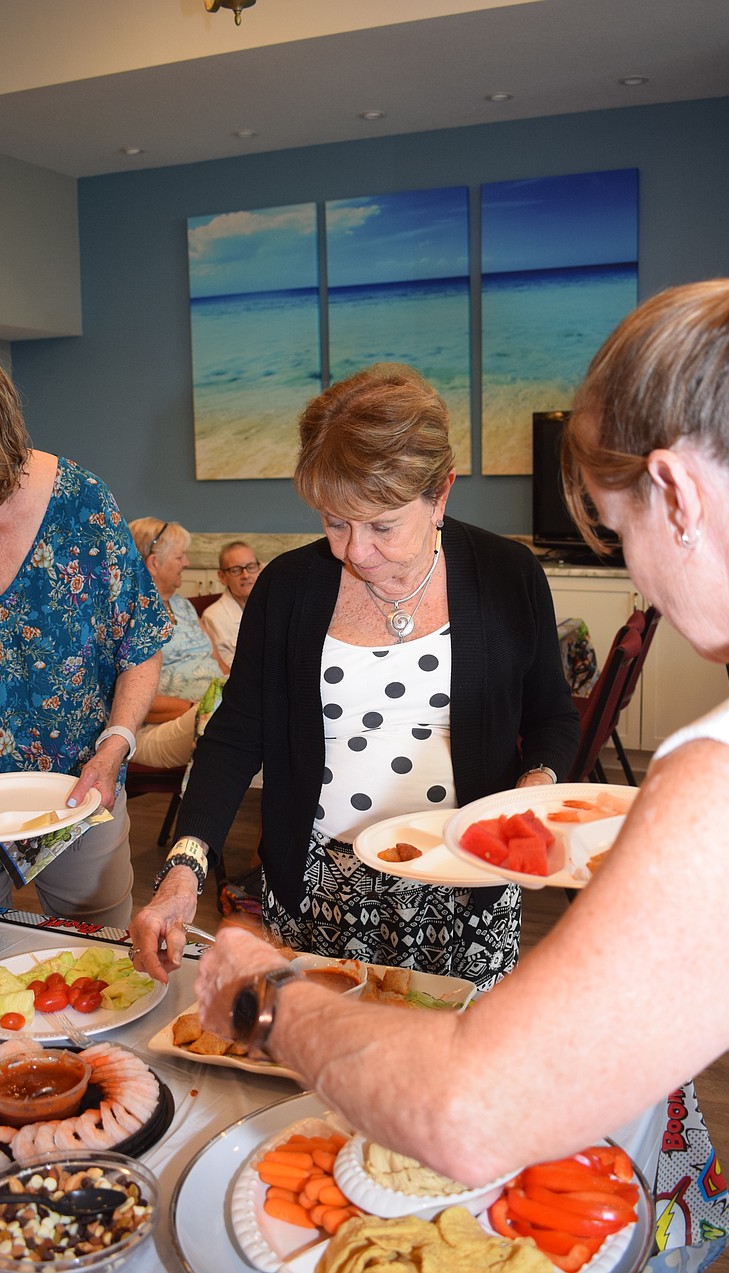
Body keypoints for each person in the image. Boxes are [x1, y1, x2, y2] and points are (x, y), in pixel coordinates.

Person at [191, 259, 729, 1189]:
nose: (638, 583)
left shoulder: (725, 774)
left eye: (614, 531)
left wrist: (262, 992)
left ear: (679, 494)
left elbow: (473, 1105)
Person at [131, 364, 579, 988]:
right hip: (319, 888)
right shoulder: (288, 587)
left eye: (383, 525)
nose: (356, 551)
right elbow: (236, 733)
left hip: (464, 878)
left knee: (452, 1068)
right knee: (323, 1073)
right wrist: (184, 869)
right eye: (334, 522)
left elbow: (552, 714)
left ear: (440, 493)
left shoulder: (508, 574)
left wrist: (533, 789)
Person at [0, 316, 169, 926]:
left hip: (80, 791)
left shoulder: (80, 503)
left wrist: (115, 749)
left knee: (99, 960)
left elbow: (141, 641)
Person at [127, 517, 226, 769]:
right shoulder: (133, 614)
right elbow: (130, 701)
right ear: (153, 563)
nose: (187, 563)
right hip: (156, 729)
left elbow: (220, 665)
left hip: (210, 713)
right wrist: (199, 708)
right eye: (180, 556)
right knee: (231, 721)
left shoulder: (184, 606)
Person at [200, 539, 261, 668]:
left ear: (260, 569)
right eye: (236, 570)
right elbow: (227, 668)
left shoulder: (275, 606)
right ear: (222, 577)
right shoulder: (213, 617)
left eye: (251, 567)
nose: (245, 575)